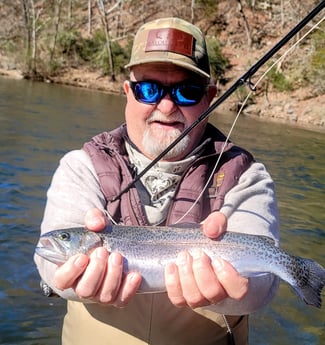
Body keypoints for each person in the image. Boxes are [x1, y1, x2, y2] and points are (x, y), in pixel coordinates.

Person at [35, 17, 279, 345]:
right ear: (128, 92)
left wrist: (239, 289)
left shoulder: (245, 176)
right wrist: (66, 279)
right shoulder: (82, 167)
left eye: (187, 92)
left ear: (209, 98)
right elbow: (49, 266)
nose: (165, 106)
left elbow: (264, 282)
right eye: (148, 89)